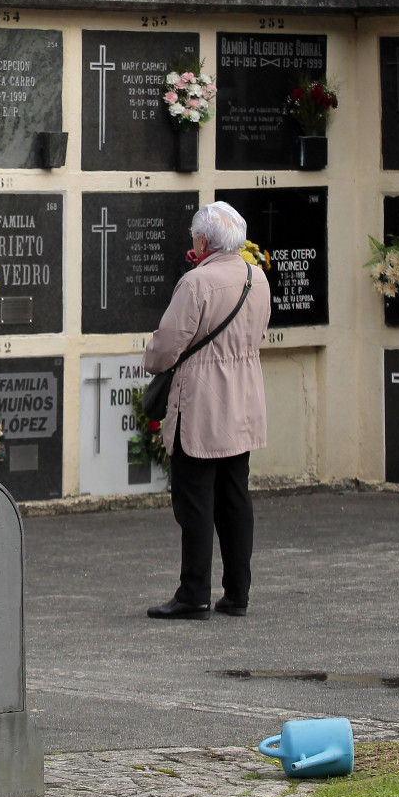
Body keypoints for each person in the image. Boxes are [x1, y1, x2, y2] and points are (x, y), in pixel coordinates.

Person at [143, 201, 271, 620]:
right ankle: (237, 594)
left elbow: (167, 347)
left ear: (202, 240)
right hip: (244, 401)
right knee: (236, 499)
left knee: (194, 502)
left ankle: (193, 593)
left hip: (201, 404)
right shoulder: (257, 277)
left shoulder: (197, 283)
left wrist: (153, 361)